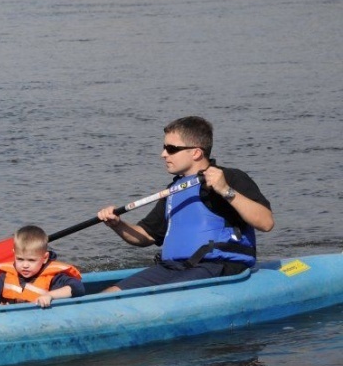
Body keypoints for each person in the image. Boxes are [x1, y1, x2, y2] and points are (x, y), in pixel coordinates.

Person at [96, 116, 274, 292]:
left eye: (171, 149)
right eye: (164, 148)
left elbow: (266, 223)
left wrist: (225, 190)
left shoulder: (230, 177)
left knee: (170, 292)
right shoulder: (173, 190)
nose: (163, 154)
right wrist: (117, 224)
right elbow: (146, 236)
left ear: (196, 152)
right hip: (173, 268)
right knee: (110, 293)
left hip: (217, 267)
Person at [0, 225, 84, 308]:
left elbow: (78, 288)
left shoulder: (54, 277)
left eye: (31, 260)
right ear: (14, 254)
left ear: (44, 258)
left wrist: (50, 295)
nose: (25, 265)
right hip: (11, 321)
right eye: (20, 259)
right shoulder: (5, 277)